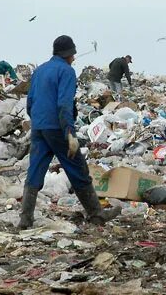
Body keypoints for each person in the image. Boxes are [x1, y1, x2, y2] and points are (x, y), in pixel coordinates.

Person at [20, 35, 121, 229]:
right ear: (68, 54)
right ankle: (96, 214)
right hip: (57, 128)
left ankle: (25, 219)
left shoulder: (40, 70)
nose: (74, 58)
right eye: (73, 54)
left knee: (35, 170)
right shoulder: (66, 71)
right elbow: (64, 104)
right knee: (77, 168)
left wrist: (38, 122)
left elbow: (30, 103)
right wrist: (69, 132)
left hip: (39, 127)